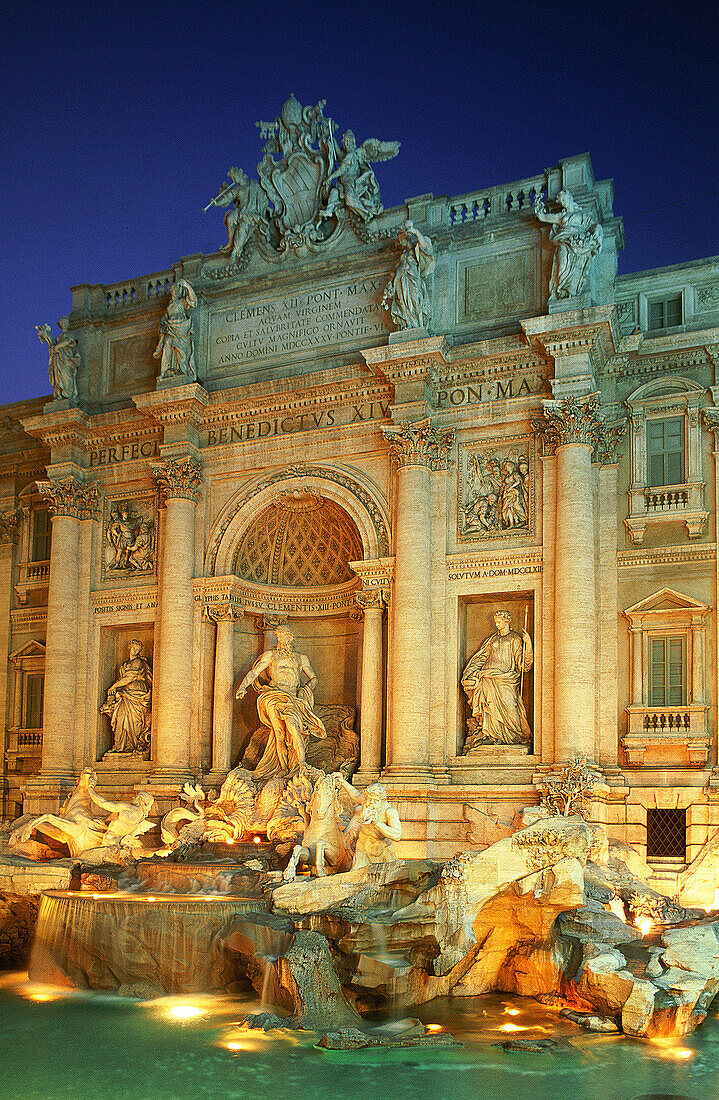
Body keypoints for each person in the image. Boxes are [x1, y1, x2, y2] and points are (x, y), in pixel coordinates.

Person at [235, 627, 327, 780]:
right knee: (279, 732)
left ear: (291, 638)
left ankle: (302, 764)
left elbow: (313, 678)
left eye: (285, 636)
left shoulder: (301, 658)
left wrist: (306, 689)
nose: (282, 640)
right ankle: (284, 767)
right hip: (273, 695)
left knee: (292, 725)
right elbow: (254, 672)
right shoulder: (271, 655)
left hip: (292, 698)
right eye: (280, 637)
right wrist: (242, 687)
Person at [461, 611, 533, 746]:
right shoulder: (492, 639)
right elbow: (481, 657)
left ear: (507, 622)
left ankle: (513, 737)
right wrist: (470, 672)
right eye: (496, 622)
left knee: (511, 707)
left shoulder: (515, 639)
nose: (497, 624)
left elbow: (523, 665)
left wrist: (528, 644)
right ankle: (492, 735)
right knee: (490, 708)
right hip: (488, 678)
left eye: (499, 622)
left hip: (507, 679)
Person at [535, 189, 603, 300]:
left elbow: (595, 226)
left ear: (570, 197)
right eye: (561, 201)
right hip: (564, 242)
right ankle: (561, 291)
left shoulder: (583, 215)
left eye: (564, 199)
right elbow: (542, 217)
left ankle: (571, 291)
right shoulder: (562, 216)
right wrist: (538, 203)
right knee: (561, 266)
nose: (563, 202)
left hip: (579, 244)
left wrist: (594, 235)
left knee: (577, 268)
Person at [333, 775, 402, 871]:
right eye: (369, 799)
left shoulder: (389, 811)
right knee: (356, 876)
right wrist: (343, 782)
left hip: (383, 849)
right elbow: (356, 795)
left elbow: (397, 835)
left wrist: (377, 823)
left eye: (375, 801)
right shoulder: (366, 802)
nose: (370, 803)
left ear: (382, 800)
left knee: (389, 878)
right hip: (363, 847)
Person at [100, 640, 152, 754]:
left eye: (138, 650)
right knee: (121, 718)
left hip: (137, 695)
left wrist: (113, 687)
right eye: (134, 648)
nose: (135, 651)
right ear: (129, 647)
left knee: (135, 721)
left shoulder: (138, 662)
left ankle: (133, 745)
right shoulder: (125, 663)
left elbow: (129, 678)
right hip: (125, 695)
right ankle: (120, 745)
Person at [382, 220, 435, 329]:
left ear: (407, 238)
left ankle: (418, 324)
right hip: (402, 282)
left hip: (412, 280)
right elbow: (399, 270)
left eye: (402, 240)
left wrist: (415, 232)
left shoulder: (415, 251)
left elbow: (425, 248)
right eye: (400, 240)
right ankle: (409, 323)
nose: (400, 243)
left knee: (415, 302)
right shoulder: (403, 256)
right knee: (403, 303)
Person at [153, 280, 197, 380]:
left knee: (181, 351)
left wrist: (187, 285)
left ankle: (182, 370)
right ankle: (164, 372)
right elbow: (165, 319)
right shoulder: (169, 305)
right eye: (173, 289)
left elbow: (193, 300)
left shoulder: (182, 301)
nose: (175, 291)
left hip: (182, 329)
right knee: (167, 345)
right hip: (170, 328)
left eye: (177, 289)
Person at [35, 317, 79, 402]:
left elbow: (68, 341)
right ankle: (59, 394)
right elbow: (53, 346)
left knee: (66, 375)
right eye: (62, 323)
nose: (64, 325)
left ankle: (68, 394)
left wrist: (56, 347)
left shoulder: (71, 334)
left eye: (65, 323)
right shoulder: (59, 337)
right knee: (58, 377)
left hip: (67, 359)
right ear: (60, 325)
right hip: (59, 358)